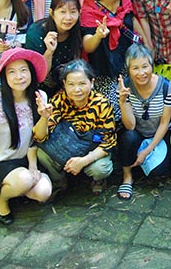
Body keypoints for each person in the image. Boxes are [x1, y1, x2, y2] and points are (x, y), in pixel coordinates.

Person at [0, 48, 52, 225]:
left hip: (23, 159)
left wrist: (44, 118)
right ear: (4, 76)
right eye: (12, 72)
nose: (19, 77)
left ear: (31, 73)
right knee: (24, 180)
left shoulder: (40, 97)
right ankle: (2, 198)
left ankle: (17, 187)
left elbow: (37, 138)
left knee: (43, 192)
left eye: (24, 70)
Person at [34, 59, 116, 194]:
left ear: (92, 83)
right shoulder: (59, 100)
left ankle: (98, 180)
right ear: (64, 84)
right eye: (71, 84)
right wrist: (44, 117)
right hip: (66, 145)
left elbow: (109, 143)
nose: (77, 90)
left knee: (101, 168)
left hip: (91, 149)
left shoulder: (102, 104)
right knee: (41, 153)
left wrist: (83, 161)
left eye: (82, 83)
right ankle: (59, 180)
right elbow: (39, 137)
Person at [81, 0, 141, 122]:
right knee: (112, 115)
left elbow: (134, 24)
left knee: (133, 112)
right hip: (103, 72)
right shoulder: (90, 8)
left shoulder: (125, 1)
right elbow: (87, 46)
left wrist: (147, 45)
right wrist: (98, 36)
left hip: (127, 68)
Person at [116, 44, 171, 200]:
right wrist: (123, 101)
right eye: (135, 68)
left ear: (152, 66)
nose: (141, 73)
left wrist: (146, 151)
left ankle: (139, 160)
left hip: (159, 134)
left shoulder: (166, 86)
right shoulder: (124, 87)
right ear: (128, 69)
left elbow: (165, 123)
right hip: (137, 133)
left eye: (145, 66)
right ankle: (127, 176)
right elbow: (130, 126)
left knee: (158, 172)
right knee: (127, 136)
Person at [24, 0, 83, 97]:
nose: (68, 17)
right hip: (40, 91)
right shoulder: (36, 33)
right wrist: (49, 51)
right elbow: (38, 76)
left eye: (73, 12)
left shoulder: (79, 30)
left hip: (69, 89)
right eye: (62, 12)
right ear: (51, 12)